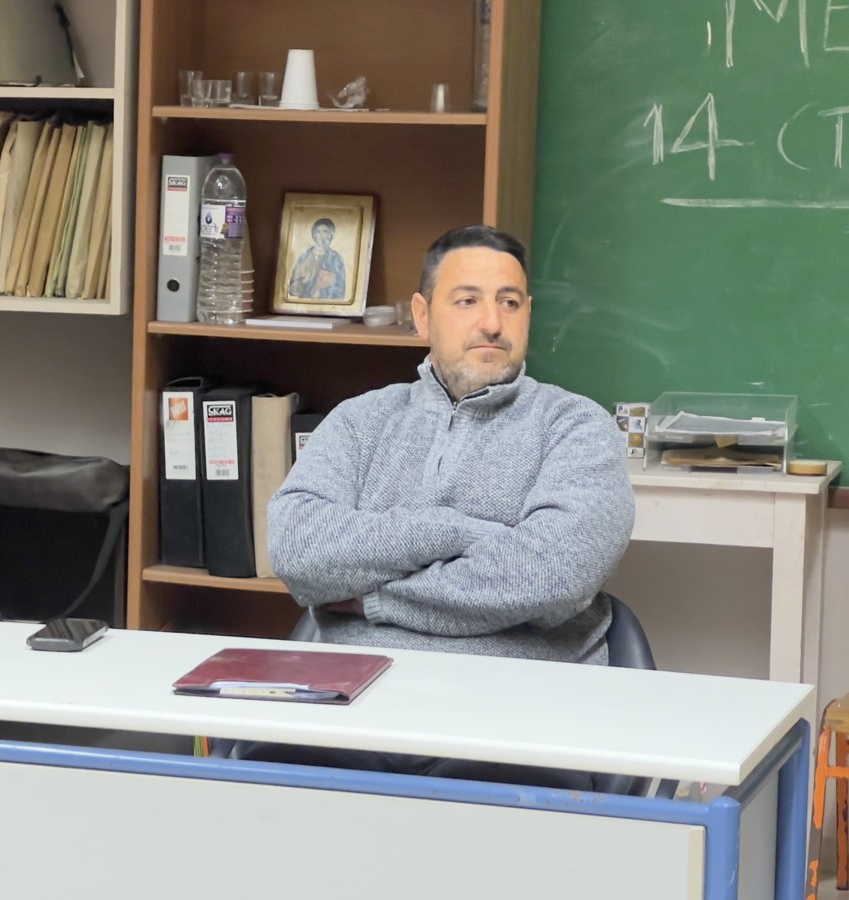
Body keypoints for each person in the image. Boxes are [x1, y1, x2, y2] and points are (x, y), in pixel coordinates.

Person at [260, 224, 635, 790]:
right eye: (466, 301)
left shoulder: (577, 427)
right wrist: (455, 531)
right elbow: (296, 548)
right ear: (422, 315)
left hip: (514, 720)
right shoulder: (359, 421)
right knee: (256, 785)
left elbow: (552, 575)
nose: (492, 322)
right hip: (353, 713)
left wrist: (373, 600)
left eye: (509, 302)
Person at [285, 217, 347, 300]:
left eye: (325, 231)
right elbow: (294, 280)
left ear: (330, 235)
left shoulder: (335, 258)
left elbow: (340, 287)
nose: (321, 236)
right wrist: (297, 286)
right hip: (305, 302)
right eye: (318, 232)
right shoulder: (305, 255)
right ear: (314, 234)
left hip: (326, 304)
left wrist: (322, 293)